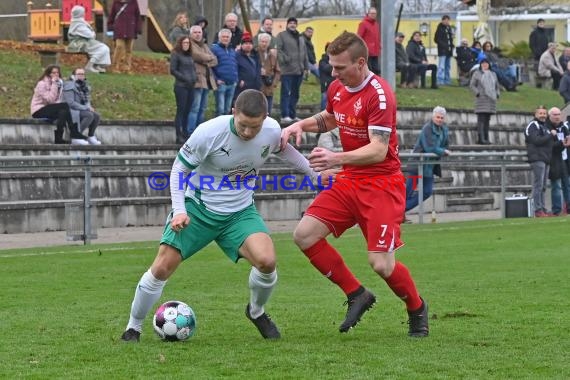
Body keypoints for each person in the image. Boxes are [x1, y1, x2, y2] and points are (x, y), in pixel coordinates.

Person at [119, 89, 325, 342]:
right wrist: (180, 209)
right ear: (233, 113)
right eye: (243, 125)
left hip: (239, 212)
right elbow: (179, 169)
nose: (249, 132)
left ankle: (256, 311)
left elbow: (284, 151)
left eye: (255, 127)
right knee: (161, 267)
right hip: (198, 209)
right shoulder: (209, 132)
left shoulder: (271, 130)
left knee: (267, 261)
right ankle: (133, 327)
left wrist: (314, 176)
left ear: (265, 118)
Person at [280, 31, 429, 337]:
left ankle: (416, 307)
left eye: (340, 67)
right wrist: (300, 125)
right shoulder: (338, 87)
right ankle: (356, 293)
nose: (333, 73)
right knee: (304, 235)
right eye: (332, 67)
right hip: (350, 181)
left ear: (361, 63)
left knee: (382, 266)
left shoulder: (379, 94)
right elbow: (331, 118)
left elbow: (378, 149)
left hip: (382, 185)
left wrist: (335, 158)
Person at [405, 106, 450, 214]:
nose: (439, 119)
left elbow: (446, 145)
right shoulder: (427, 128)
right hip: (417, 165)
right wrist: (443, 152)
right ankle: (397, 212)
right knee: (408, 192)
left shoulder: (444, 129)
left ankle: (402, 210)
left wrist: (443, 150)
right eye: (437, 117)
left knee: (427, 192)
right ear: (433, 116)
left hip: (429, 167)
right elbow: (429, 147)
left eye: (441, 117)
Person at [30, 65, 88, 145]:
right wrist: (54, 84)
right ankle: (73, 131)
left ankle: (58, 138)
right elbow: (50, 100)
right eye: (53, 73)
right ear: (48, 74)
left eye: (57, 72)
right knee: (64, 106)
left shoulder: (59, 83)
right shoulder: (42, 84)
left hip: (50, 109)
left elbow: (58, 100)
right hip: (38, 110)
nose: (56, 74)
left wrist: (57, 85)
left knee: (63, 112)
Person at [524, 106, 556, 217]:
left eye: (544, 113)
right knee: (538, 185)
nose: (543, 115)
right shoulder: (533, 125)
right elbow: (536, 140)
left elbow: (549, 142)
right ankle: (537, 210)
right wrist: (550, 135)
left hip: (545, 158)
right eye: (540, 113)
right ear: (535, 114)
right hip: (537, 158)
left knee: (543, 186)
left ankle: (542, 208)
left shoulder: (544, 126)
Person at [276, 17, 309, 123]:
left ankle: (292, 114)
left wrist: (307, 67)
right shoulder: (281, 35)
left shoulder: (300, 37)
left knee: (295, 94)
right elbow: (279, 51)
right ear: (287, 24)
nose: (292, 24)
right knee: (286, 93)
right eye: (290, 23)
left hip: (299, 71)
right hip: (287, 70)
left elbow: (304, 53)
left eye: (294, 23)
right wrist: (286, 59)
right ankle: (284, 115)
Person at [187, 25, 217, 136]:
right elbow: (196, 56)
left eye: (199, 32)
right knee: (195, 108)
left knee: (203, 108)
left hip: (207, 81)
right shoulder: (190, 44)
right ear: (191, 34)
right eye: (195, 32)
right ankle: (191, 132)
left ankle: (199, 132)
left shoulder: (204, 45)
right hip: (197, 81)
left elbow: (215, 60)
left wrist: (205, 59)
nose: (198, 34)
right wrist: (207, 58)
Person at [63, 67, 102, 145]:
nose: (81, 76)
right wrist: (86, 108)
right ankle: (75, 136)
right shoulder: (69, 85)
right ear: (73, 76)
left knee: (96, 116)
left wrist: (88, 107)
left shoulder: (84, 86)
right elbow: (70, 103)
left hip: (80, 109)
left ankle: (91, 136)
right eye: (79, 74)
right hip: (70, 110)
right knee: (89, 115)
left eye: (83, 74)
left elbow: (87, 100)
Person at [67, 5, 111, 74]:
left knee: (104, 47)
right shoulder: (78, 24)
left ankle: (96, 65)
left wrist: (92, 33)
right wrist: (93, 33)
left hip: (85, 41)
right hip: (79, 43)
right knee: (103, 48)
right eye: (83, 12)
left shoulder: (79, 22)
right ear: (80, 13)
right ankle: (89, 66)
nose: (84, 14)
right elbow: (90, 35)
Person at [170, 36, 197, 144]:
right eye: (184, 43)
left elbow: (193, 69)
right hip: (181, 86)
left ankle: (185, 133)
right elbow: (173, 70)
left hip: (191, 85)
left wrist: (195, 78)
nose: (186, 45)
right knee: (181, 110)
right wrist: (184, 78)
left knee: (188, 110)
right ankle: (178, 134)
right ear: (180, 43)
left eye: (188, 43)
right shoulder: (176, 54)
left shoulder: (190, 56)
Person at [545, 107, 570, 216]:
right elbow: (550, 145)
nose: (557, 116)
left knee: (567, 184)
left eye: (559, 114)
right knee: (556, 185)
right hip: (553, 159)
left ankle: (568, 208)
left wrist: (565, 143)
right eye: (555, 115)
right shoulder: (546, 127)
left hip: (564, 159)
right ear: (550, 116)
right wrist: (562, 144)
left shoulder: (563, 127)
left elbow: (567, 140)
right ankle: (556, 210)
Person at [469, 58, 500, 144]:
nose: (484, 65)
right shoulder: (477, 73)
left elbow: (497, 86)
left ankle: (486, 138)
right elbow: (472, 85)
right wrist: (477, 93)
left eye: (486, 63)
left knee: (487, 119)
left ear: (489, 65)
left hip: (491, 100)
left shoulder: (493, 74)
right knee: (481, 119)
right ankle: (481, 138)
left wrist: (497, 94)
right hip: (481, 99)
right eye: (483, 63)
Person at [107, 0, 142, 74]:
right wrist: (110, 30)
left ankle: (127, 68)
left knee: (129, 50)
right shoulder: (116, 3)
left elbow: (137, 16)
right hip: (119, 30)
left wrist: (138, 29)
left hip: (130, 29)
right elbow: (112, 16)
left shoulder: (133, 2)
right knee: (119, 47)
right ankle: (115, 67)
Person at [211, 29, 238, 117]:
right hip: (221, 83)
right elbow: (211, 67)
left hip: (232, 83)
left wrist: (236, 79)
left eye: (227, 37)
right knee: (220, 109)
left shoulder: (232, 50)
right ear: (219, 38)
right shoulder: (214, 49)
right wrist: (216, 79)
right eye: (223, 37)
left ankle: (226, 130)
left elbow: (235, 65)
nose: (225, 39)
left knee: (227, 110)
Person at [234, 32, 262, 104]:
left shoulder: (256, 56)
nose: (248, 45)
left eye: (250, 44)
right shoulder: (237, 55)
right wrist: (239, 80)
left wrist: (259, 82)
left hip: (255, 86)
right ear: (241, 45)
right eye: (246, 43)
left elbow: (258, 70)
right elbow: (234, 69)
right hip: (242, 87)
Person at [257, 32, 280, 115]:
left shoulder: (272, 54)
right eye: (262, 41)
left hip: (269, 87)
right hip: (258, 87)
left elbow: (278, 71)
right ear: (259, 42)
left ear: (269, 43)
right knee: (258, 111)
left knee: (268, 112)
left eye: (266, 42)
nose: (264, 44)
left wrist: (274, 84)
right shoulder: (255, 53)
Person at [357, 7, 380, 75]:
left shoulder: (376, 24)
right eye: (372, 13)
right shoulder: (363, 24)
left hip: (375, 51)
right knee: (369, 70)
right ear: (368, 14)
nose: (373, 15)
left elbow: (377, 37)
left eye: (375, 13)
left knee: (376, 70)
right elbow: (359, 37)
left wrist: (379, 45)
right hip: (367, 52)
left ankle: (375, 84)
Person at [434, 15, 454, 86]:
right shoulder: (439, 28)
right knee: (441, 66)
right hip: (442, 51)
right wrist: (444, 45)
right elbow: (436, 39)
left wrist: (451, 45)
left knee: (447, 66)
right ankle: (440, 80)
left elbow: (450, 39)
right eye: (445, 20)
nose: (447, 21)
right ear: (442, 20)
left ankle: (447, 80)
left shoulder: (449, 28)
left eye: (448, 20)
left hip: (449, 51)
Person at [318, 42, 333, 111]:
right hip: (326, 86)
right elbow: (327, 69)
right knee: (324, 102)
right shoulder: (322, 61)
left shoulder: (335, 60)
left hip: (334, 86)